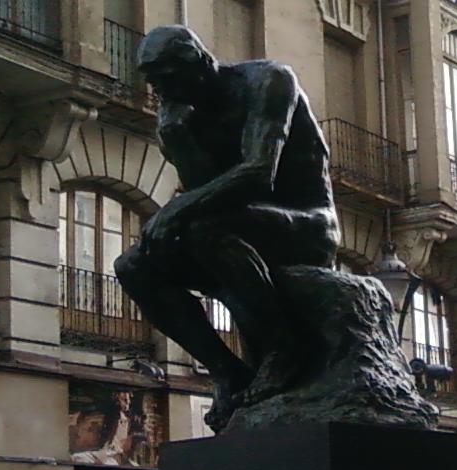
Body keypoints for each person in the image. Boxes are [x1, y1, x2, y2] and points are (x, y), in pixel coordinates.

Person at [114, 25, 340, 431]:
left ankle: (284, 348)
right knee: (132, 266)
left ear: (200, 64)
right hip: (239, 226)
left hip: (308, 224)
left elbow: (259, 173)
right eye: (153, 82)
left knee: (204, 227)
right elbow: (204, 188)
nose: (159, 91)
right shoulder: (181, 115)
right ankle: (226, 371)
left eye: (166, 79)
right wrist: (179, 140)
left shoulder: (268, 81)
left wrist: (177, 209)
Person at [70, 391, 145, 466]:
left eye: (128, 400)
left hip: (116, 455)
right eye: (124, 400)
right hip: (105, 452)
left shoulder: (131, 420)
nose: (128, 402)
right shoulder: (111, 416)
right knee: (76, 457)